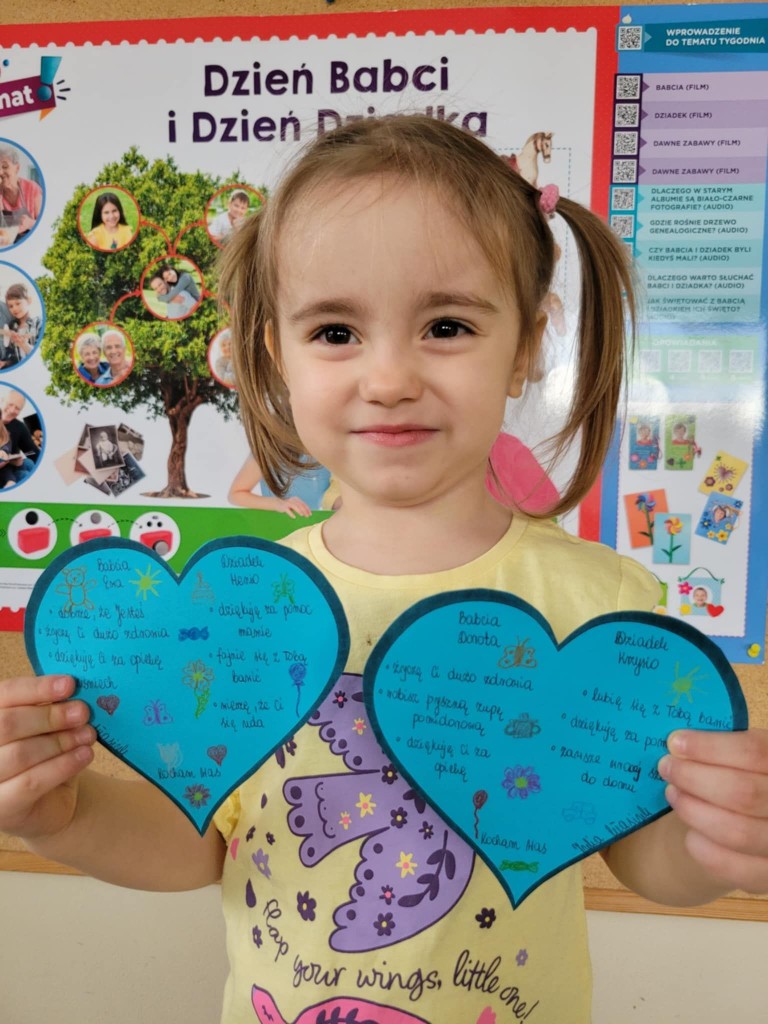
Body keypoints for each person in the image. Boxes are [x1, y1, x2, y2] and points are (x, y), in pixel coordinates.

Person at [1, 116, 767, 1024]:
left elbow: (639, 854)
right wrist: (64, 818)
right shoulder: (247, 610)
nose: (391, 377)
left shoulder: (603, 606)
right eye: (335, 331)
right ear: (275, 354)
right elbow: (199, 845)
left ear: (525, 346)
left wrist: (718, 844)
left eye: (447, 325)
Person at [228, 452, 332, 518]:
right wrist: (278, 504)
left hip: (320, 528)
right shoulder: (267, 450)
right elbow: (236, 495)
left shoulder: (331, 445)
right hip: (280, 528)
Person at [0, 143, 42, 242]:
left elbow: (45, 223)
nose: (0, 172)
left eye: (5, 166)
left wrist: (30, 223)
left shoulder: (32, 188)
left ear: (17, 168)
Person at [0, 282, 41, 368]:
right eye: (11, 306)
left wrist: (24, 344)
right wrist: (6, 363)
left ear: (29, 301)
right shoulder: (12, 327)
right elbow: (12, 356)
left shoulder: (38, 323)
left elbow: (40, 355)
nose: (15, 308)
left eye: (18, 303)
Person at [0, 388, 37, 481]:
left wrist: (15, 459)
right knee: (25, 475)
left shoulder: (19, 427)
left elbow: (32, 452)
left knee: (29, 463)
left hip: (10, 466)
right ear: (2, 401)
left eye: (17, 408)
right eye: (10, 404)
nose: (12, 410)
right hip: (4, 471)